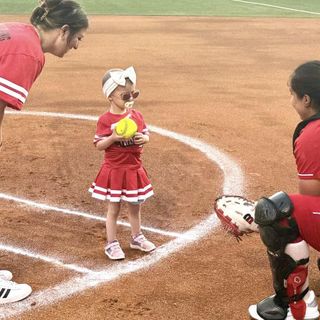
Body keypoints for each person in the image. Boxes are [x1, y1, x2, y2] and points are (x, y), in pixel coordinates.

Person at [0, 0, 88, 304]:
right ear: (64, 31)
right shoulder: (29, 51)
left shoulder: (19, 33)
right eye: (78, 38)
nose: (76, 46)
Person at [248, 61, 320, 320]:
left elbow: (310, 199)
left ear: (307, 99)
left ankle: (295, 304)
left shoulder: (313, 134)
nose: (291, 101)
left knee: (277, 212)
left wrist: (255, 217)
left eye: (293, 94)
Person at [89, 66, 156, 261]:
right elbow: (99, 145)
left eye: (133, 93)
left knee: (135, 206)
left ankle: (137, 237)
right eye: (125, 95)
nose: (130, 99)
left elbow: (145, 133)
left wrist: (145, 139)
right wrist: (113, 138)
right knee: (114, 208)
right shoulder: (105, 120)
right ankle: (111, 243)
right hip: (115, 170)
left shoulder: (137, 116)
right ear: (110, 96)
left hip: (134, 168)